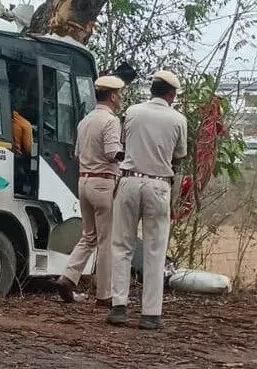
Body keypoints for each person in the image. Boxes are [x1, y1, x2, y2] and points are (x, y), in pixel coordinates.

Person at [106, 70, 187, 330]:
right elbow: (179, 154)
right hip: (159, 184)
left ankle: (119, 307)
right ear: (171, 94)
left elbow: (123, 143)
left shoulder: (132, 112)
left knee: (121, 245)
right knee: (155, 249)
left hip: (129, 180)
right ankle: (150, 314)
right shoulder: (178, 119)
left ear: (152, 90)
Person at [56, 75, 126, 307]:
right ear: (113, 96)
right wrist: (130, 154)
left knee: (88, 236)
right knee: (106, 240)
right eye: (119, 95)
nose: (120, 98)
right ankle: (104, 294)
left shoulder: (84, 121)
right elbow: (112, 153)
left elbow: (77, 154)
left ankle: (68, 277)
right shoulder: (110, 121)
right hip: (103, 182)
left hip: (84, 181)